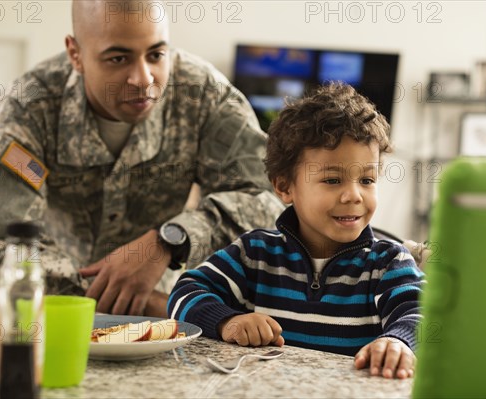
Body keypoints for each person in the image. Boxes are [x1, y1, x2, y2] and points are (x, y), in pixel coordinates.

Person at [0, 0, 283, 316]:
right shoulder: (33, 107)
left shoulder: (206, 96)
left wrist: (171, 240)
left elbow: (268, 205)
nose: (143, 80)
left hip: (167, 322)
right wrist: (141, 304)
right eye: (118, 58)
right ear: (76, 54)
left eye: (156, 55)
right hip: (61, 315)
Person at [168, 83, 424, 379]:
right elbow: (183, 294)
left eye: (367, 180)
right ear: (284, 187)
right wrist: (228, 322)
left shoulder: (388, 263)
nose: (354, 195)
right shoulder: (255, 255)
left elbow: (421, 314)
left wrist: (398, 341)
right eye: (332, 180)